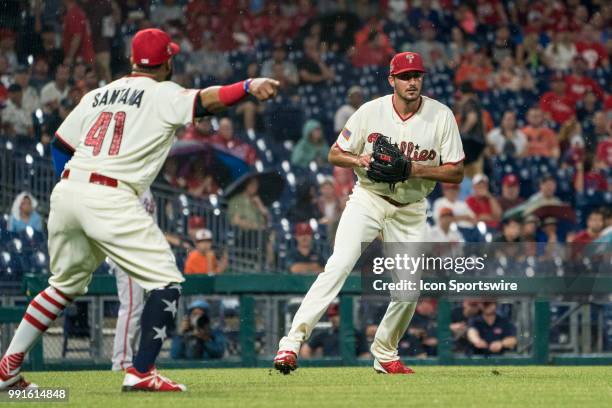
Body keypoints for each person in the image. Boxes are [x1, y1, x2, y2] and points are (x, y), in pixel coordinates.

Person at [0, 28, 279, 392]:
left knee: (62, 286)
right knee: (166, 279)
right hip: (110, 195)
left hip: (68, 191)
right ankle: (142, 371)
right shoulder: (163, 93)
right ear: (167, 62)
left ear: (134, 60)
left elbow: (60, 145)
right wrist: (247, 85)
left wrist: (73, 188)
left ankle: (8, 367)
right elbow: (208, 101)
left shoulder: (98, 94)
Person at [274, 51, 464, 375]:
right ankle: (291, 344)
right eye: (405, 76)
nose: (412, 82)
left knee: (408, 289)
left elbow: (456, 172)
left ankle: (385, 352)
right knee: (338, 267)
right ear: (392, 80)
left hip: (411, 209)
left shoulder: (441, 115)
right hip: (369, 198)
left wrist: (414, 168)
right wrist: (358, 160)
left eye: (417, 75)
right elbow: (336, 153)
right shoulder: (370, 111)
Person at [111, 189, 155, 371]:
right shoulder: (126, 180)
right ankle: (121, 361)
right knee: (131, 307)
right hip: (127, 252)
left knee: (139, 309)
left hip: (143, 252)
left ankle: (131, 358)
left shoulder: (146, 185)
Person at [299, 304, 370, 359]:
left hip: (349, 368)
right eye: (331, 315)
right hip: (328, 368)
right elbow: (305, 350)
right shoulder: (325, 334)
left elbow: (365, 355)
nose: (333, 318)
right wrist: (314, 366)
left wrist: (355, 367)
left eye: (336, 315)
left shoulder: (357, 333)